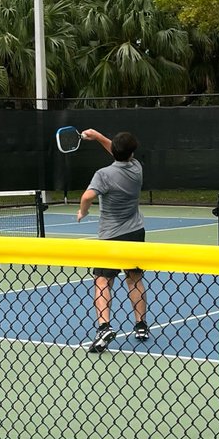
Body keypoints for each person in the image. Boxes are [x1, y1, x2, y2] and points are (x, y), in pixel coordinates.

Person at [76, 129, 149, 349]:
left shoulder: (103, 175)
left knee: (102, 281)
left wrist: (83, 211)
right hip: (136, 233)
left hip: (111, 237)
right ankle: (141, 325)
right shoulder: (137, 169)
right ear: (131, 153)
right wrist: (98, 137)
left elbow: (87, 196)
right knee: (134, 279)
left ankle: (104, 326)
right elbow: (118, 152)